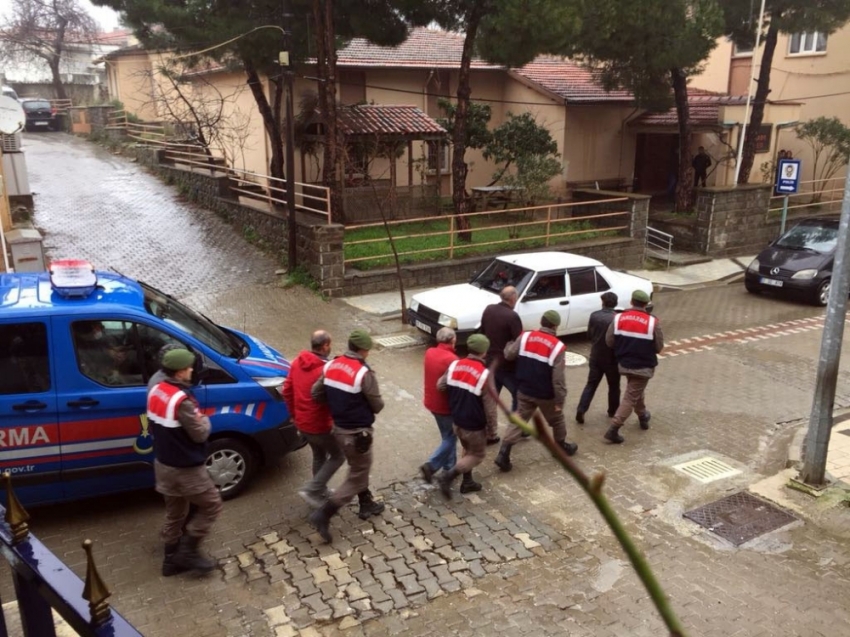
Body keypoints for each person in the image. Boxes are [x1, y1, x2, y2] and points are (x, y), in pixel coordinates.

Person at [147, 348, 223, 576]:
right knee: (212, 505)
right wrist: (206, 420)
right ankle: (188, 551)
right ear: (180, 372)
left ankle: (170, 561)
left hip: (163, 464)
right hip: (186, 469)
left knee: (176, 512)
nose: (192, 370)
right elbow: (200, 434)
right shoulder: (182, 401)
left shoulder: (156, 390)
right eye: (189, 367)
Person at [309, 329, 385, 542]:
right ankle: (324, 514)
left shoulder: (331, 365)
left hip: (338, 430)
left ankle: (366, 503)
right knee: (357, 476)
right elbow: (377, 405)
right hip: (357, 434)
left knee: (357, 468)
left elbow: (316, 394)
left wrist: (337, 405)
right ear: (363, 350)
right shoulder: (364, 373)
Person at [495, 310, 577, 473]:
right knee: (557, 420)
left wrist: (507, 345)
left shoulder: (525, 337)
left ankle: (503, 453)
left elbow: (509, 355)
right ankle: (560, 448)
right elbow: (558, 379)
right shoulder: (558, 347)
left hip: (524, 389)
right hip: (546, 394)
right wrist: (559, 401)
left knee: (518, 420)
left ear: (542, 322)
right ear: (555, 326)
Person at [282, 330, 344, 508]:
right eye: (329, 344)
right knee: (338, 456)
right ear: (325, 346)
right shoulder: (326, 369)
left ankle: (319, 491)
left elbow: (287, 391)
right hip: (320, 425)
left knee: (318, 455)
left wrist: (294, 415)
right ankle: (313, 489)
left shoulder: (296, 363)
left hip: (302, 423)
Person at [435, 334, 497, 498]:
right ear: (484, 352)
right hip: (474, 424)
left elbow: (440, 385)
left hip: (457, 420)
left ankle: (467, 482)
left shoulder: (455, 365)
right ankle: (448, 476)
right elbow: (490, 409)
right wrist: (492, 431)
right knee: (477, 454)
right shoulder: (484, 375)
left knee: (466, 449)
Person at [603, 290, 664, 444]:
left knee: (635, 390)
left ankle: (643, 415)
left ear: (631, 302)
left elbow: (609, 341)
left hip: (624, 363)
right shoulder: (652, 322)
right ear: (646, 304)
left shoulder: (618, 318)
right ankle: (614, 428)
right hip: (643, 366)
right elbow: (658, 347)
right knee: (631, 396)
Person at [479, 285, 523, 444]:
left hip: (490, 363)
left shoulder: (489, 309)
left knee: (489, 400)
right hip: (507, 366)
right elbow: (518, 343)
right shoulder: (512, 317)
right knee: (519, 397)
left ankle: (488, 432)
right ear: (513, 299)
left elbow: (482, 332)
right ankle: (517, 429)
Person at [419, 327, 460, 484]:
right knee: (450, 437)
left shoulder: (430, 352)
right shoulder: (452, 360)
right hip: (445, 406)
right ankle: (431, 465)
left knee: (446, 436)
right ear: (452, 340)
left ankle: (449, 468)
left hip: (431, 403)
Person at [575, 292, 621, 424]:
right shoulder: (617, 318)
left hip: (595, 356)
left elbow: (589, 335)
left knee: (591, 384)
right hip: (611, 359)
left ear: (603, 302)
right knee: (613, 386)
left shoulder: (594, 315)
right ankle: (612, 410)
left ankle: (581, 409)